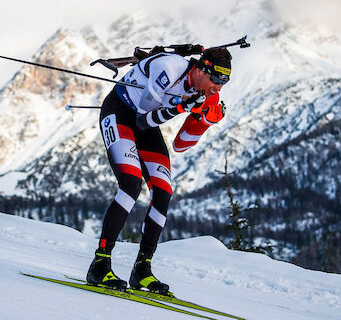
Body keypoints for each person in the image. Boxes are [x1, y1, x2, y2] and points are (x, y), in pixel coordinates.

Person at [87, 47, 232, 294]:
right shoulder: (169, 67)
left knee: (163, 192)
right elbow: (143, 117)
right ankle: (100, 263)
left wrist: (206, 120)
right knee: (131, 184)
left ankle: (142, 269)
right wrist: (181, 107)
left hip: (147, 125)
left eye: (225, 82)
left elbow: (181, 143)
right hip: (121, 112)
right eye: (216, 80)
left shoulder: (209, 94)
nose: (218, 88)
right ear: (202, 69)